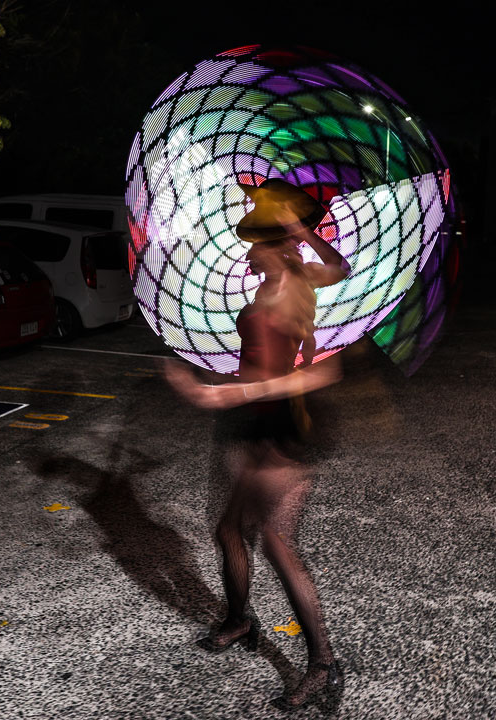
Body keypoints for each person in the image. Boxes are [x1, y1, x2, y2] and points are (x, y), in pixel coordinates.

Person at [164, 179, 350, 711]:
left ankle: (323, 664)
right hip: (246, 420)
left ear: (279, 246)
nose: (246, 249)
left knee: (274, 540)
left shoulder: (299, 283)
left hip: (280, 427)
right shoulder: (263, 290)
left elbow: (323, 365)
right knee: (227, 529)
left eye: (257, 239)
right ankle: (239, 619)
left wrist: (297, 228)